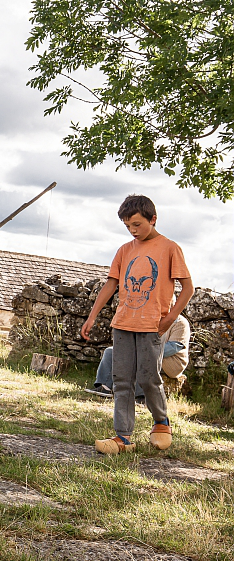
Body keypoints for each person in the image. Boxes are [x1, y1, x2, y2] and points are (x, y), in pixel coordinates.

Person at [81, 195, 193, 455]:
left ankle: (161, 422)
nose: (133, 231)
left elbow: (188, 288)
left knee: (148, 377)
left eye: (137, 225)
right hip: (123, 324)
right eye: (127, 226)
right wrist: (92, 316)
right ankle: (123, 437)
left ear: (153, 219)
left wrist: (170, 318)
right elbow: (111, 284)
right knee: (121, 381)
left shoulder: (170, 248)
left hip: (152, 326)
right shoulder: (124, 250)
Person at [85, 311, 191, 400]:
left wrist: (143, 351)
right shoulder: (152, 319)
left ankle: (141, 397)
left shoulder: (180, 322)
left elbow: (174, 347)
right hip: (148, 352)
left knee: (142, 358)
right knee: (111, 351)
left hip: (172, 362)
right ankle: (105, 387)